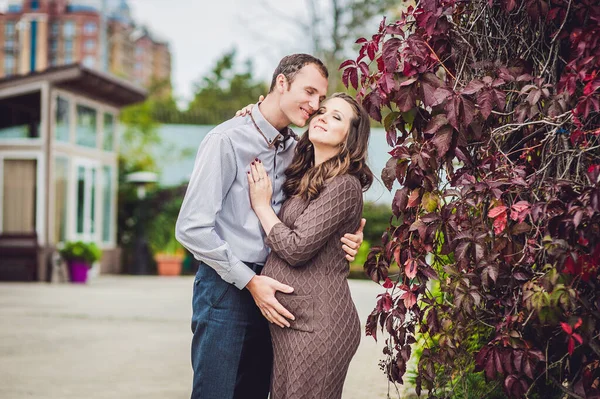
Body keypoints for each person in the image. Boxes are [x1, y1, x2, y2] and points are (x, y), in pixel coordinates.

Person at [175, 54, 365, 399]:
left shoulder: (298, 150)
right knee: (215, 392)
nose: (314, 106)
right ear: (281, 83)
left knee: (256, 391)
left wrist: (348, 236)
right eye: (309, 93)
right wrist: (249, 282)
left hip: (278, 293)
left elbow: (326, 206)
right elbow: (191, 228)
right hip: (228, 286)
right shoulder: (227, 140)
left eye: (321, 100)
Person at [246, 92, 373, 399]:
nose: (323, 117)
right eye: (323, 111)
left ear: (349, 138)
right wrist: (253, 111)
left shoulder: (343, 185)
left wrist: (262, 207)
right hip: (293, 323)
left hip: (319, 325)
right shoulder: (308, 174)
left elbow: (297, 248)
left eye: (337, 117)